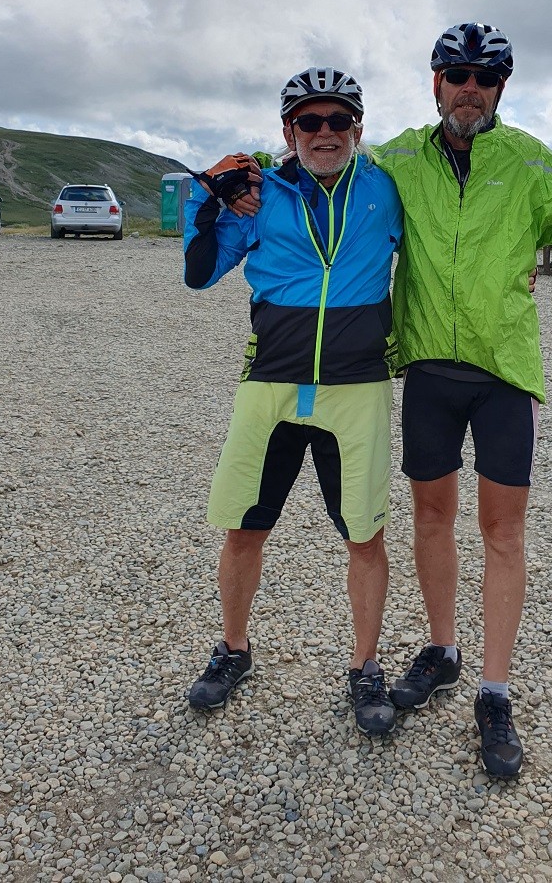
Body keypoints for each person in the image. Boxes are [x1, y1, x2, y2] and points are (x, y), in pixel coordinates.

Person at [231, 24, 552, 777]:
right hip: (431, 373)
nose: (471, 88)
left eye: (486, 77)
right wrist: (254, 180)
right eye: (457, 74)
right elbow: (327, 164)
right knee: (431, 520)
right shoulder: (399, 157)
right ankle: (443, 650)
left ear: (502, 87)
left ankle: (495, 693)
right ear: (436, 83)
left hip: (504, 373)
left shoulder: (527, 160)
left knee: (502, 531)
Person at [182, 67, 403, 736]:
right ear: (289, 130)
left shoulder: (388, 188)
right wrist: (208, 201)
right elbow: (199, 274)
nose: (325, 133)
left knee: (364, 534)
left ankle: (365, 667)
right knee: (244, 527)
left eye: (338, 120)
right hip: (272, 384)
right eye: (310, 121)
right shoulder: (260, 195)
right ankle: (233, 649)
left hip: (357, 386)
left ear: (358, 128)